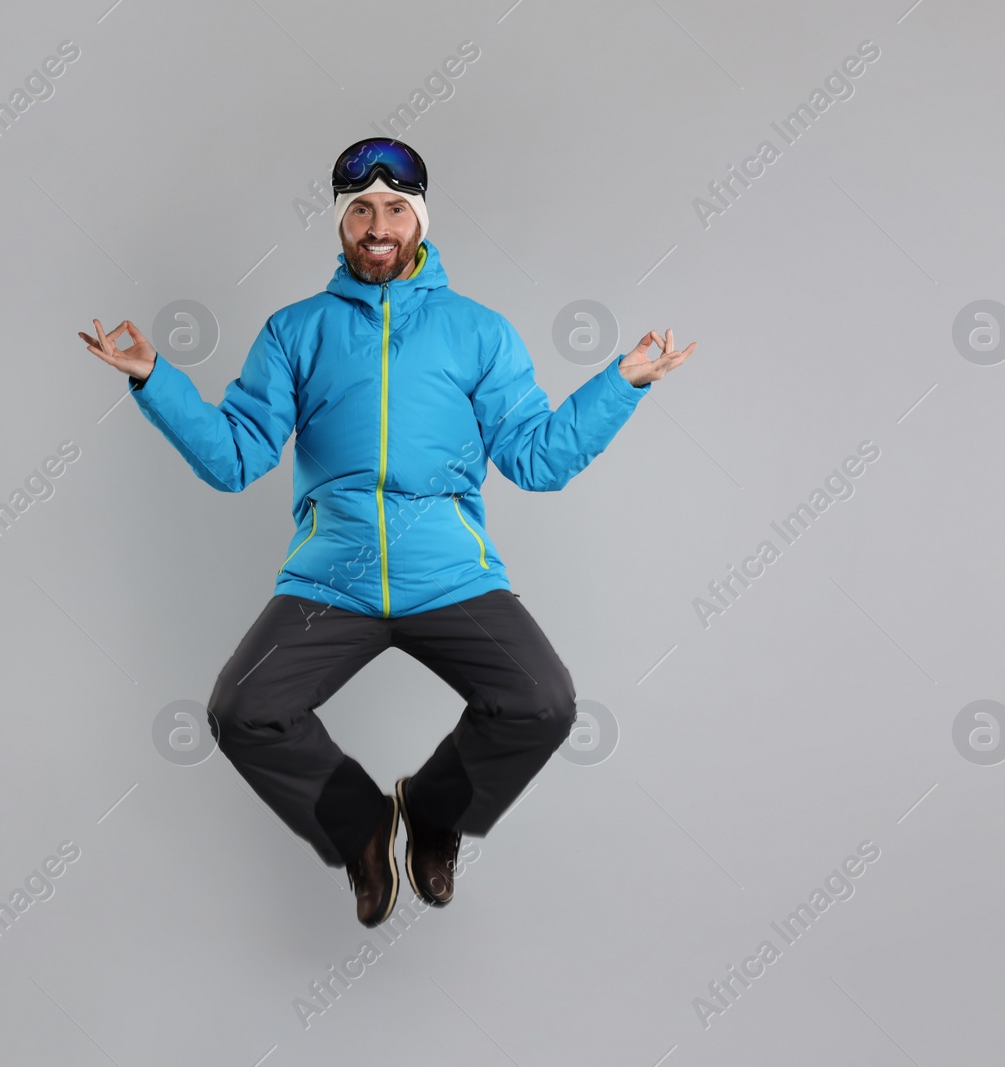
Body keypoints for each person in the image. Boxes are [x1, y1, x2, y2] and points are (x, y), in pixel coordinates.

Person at [79, 138, 696, 927]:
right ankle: (364, 825)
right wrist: (151, 379)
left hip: (449, 575)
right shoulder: (295, 332)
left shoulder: (478, 332)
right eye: (361, 210)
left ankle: (435, 811)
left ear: (419, 221)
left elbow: (538, 459)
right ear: (340, 224)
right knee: (243, 711)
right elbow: (235, 458)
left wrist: (623, 384)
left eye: (395, 210)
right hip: (332, 579)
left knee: (541, 703)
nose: (378, 226)